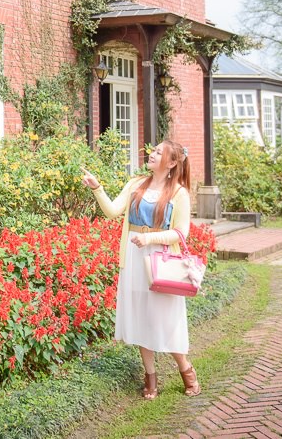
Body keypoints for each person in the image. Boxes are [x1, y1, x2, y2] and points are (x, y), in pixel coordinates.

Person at [81, 140, 200, 400]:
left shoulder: (179, 193)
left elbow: (181, 233)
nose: (152, 154)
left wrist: (149, 239)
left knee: (165, 319)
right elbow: (113, 211)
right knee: (142, 318)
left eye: (159, 152)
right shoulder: (136, 184)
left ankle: (186, 370)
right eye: (153, 150)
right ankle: (150, 377)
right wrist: (97, 188)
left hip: (162, 259)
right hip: (134, 258)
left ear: (171, 163)